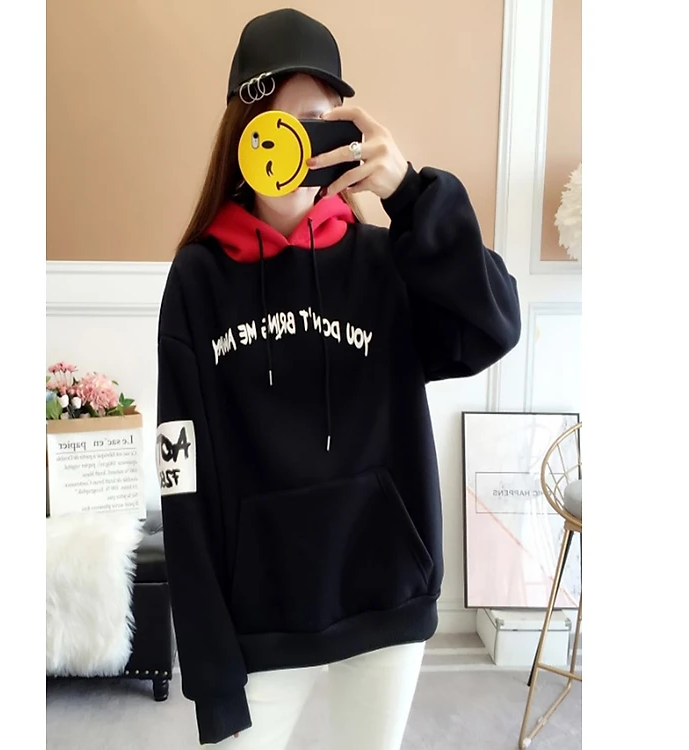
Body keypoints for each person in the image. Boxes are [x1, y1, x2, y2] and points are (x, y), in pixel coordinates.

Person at [156, 8, 521, 748]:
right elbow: (179, 478)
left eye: (319, 124)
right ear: (244, 133)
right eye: (278, 124)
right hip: (261, 617)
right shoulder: (198, 280)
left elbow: (493, 326)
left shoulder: (384, 262)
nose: (297, 144)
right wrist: (210, 668)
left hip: (385, 596)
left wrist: (412, 195)